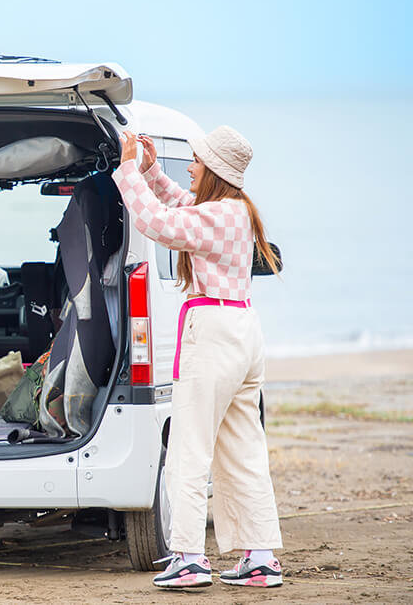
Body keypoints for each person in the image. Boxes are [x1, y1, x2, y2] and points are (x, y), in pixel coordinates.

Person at [112, 126, 284, 589]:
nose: (189, 166)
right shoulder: (237, 212)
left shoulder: (217, 218)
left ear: (215, 173)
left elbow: (158, 224)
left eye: (197, 162)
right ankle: (260, 557)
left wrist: (127, 169)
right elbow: (181, 206)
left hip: (212, 334)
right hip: (244, 331)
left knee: (188, 449)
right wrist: (150, 170)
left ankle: (188, 556)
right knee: (243, 448)